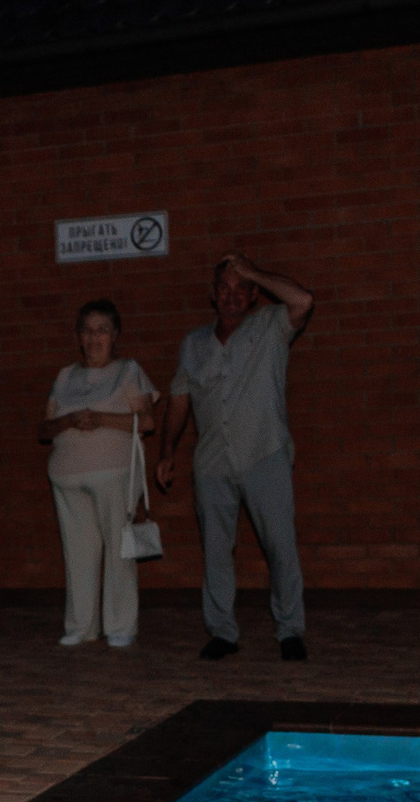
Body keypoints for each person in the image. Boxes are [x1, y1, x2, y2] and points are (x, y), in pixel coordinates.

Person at [159, 254, 315, 662]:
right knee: (215, 550)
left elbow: (303, 301)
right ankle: (222, 632)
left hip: (265, 454)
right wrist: (167, 451)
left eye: (240, 289)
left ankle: (290, 630)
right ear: (212, 295)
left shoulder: (270, 327)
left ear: (252, 297)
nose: (231, 296)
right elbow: (179, 401)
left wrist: (255, 271)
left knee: (281, 547)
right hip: (212, 462)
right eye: (224, 288)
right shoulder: (193, 344)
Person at [37, 300, 158, 648]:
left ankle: (120, 625)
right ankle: (80, 625)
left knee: (120, 551)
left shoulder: (128, 371)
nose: (94, 337)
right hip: (67, 477)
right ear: (78, 336)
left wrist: (102, 419)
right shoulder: (64, 376)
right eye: (87, 330)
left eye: (102, 329)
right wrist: (69, 422)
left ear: (115, 334)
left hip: (115, 473)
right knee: (77, 553)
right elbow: (44, 429)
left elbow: (147, 421)